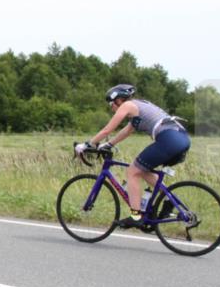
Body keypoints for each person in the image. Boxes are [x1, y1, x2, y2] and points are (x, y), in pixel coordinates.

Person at [75, 84, 190, 228]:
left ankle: (136, 216)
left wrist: (87, 145)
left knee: (132, 171)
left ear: (117, 100)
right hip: (181, 138)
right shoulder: (138, 107)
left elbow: (107, 129)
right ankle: (168, 200)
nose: (111, 109)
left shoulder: (127, 105)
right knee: (143, 170)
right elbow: (126, 131)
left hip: (169, 139)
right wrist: (109, 145)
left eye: (111, 104)